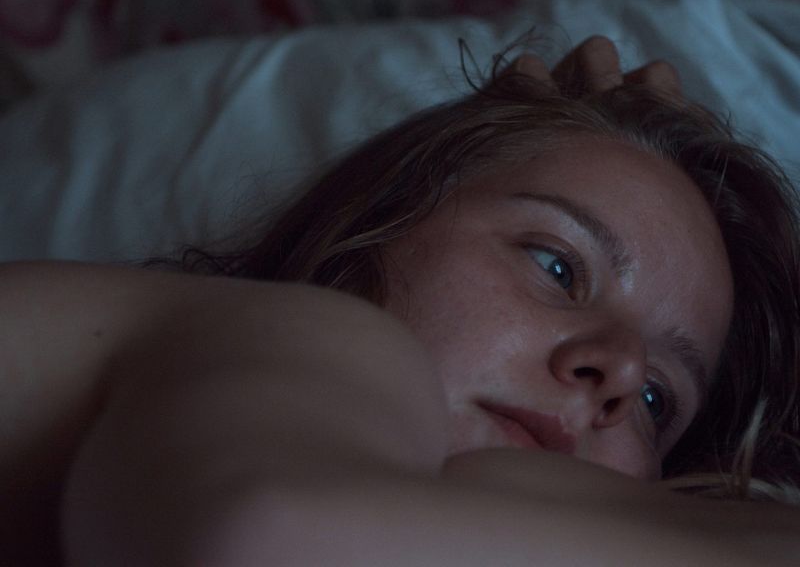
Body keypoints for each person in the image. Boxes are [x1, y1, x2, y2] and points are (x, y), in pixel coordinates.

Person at [2, 36, 799, 565]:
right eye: (558, 268)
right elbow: (267, 541)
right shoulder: (306, 333)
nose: (620, 370)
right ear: (371, 230)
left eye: (658, 399)